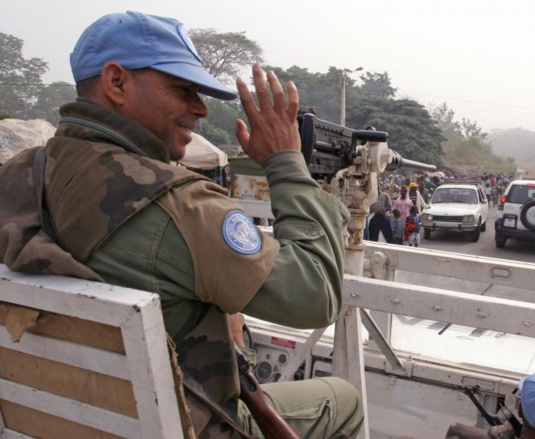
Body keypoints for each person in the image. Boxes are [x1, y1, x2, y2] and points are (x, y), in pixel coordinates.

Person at [0, 12, 362, 438]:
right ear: (116, 83)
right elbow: (314, 296)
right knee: (344, 400)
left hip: (63, 419)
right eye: (182, 89)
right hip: (188, 425)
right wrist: (287, 165)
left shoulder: (21, 173)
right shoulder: (179, 203)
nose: (201, 109)